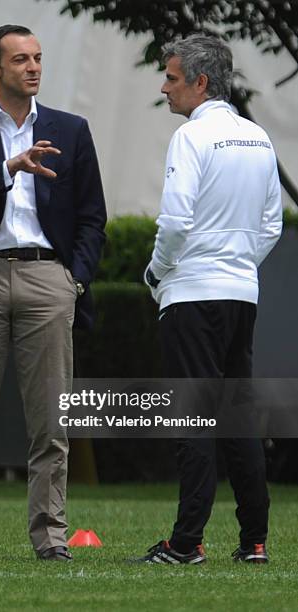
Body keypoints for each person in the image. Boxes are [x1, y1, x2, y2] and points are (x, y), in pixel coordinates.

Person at [0, 24, 106, 561]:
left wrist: (73, 278)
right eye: (20, 60)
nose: (32, 67)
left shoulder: (71, 129)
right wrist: (8, 167)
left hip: (48, 278)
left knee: (52, 419)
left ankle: (52, 538)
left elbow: (92, 217)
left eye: (37, 58)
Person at [138, 35, 282, 564]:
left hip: (191, 292)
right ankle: (254, 542)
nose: (164, 86)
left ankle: (186, 543)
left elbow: (175, 222)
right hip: (242, 292)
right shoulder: (258, 138)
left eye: (172, 77)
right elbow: (271, 224)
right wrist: (239, 263)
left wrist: (156, 272)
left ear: (200, 83)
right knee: (236, 416)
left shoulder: (192, 138)